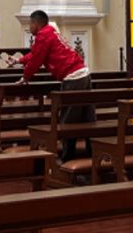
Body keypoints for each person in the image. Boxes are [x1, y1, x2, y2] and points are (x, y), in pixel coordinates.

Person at [18, 10, 95, 160]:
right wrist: (19, 61)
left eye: (30, 23)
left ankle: (67, 158)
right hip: (83, 74)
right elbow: (36, 54)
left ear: (35, 23)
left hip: (73, 78)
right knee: (87, 117)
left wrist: (25, 76)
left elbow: (36, 60)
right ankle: (91, 153)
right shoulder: (50, 31)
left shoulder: (43, 35)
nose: (29, 27)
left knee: (68, 119)